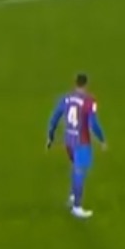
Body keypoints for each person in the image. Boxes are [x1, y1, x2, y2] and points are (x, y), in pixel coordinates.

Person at [45, 73, 106, 219]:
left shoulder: (65, 98)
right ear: (86, 84)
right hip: (82, 141)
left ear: (75, 83)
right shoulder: (89, 101)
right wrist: (102, 139)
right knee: (80, 171)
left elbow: (54, 117)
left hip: (69, 141)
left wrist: (50, 136)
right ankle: (77, 207)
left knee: (75, 168)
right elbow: (93, 124)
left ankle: (73, 196)